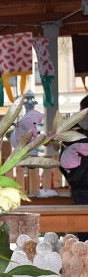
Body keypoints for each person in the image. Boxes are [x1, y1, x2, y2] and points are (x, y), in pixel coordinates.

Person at [60, 94, 88, 241]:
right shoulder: (74, 130)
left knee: (85, 240)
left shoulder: (72, 130)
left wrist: (75, 180)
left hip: (81, 190)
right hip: (82, 189)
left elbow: (64, 163)